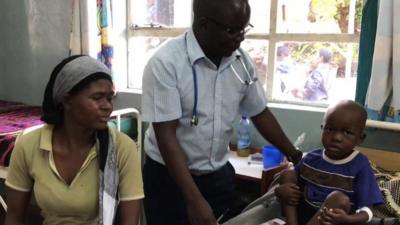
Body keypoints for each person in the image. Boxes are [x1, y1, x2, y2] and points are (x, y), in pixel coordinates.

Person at [141, 0, 303, 225]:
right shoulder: (166, 63)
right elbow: (165, 135)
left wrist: (295, 155)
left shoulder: (241, 62)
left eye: (243, 28)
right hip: (169, 177)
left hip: (217, 174)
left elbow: (259, 112)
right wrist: (194, 200)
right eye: (232, 30)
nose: (241, 37)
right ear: (203, 24)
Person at [5, 55, 144, 225]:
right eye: (97, 97)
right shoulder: (29, 145)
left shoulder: (122, 148)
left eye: (109, 98)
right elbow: (14, 217)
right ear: (67, 101)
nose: (107, 106)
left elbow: (130, 221)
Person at [276, 100, 383, 225]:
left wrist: (347, 219)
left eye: (347, 132)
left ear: (360, 138)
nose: (336, 137)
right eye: (330, 129)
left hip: (333, 220)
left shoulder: (361, 165)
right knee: (287, 174)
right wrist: (279, 192)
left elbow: (367, 212)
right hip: (304, 215)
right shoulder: (311, 158)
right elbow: (294, 187)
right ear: (323, 128)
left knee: (339, 199)